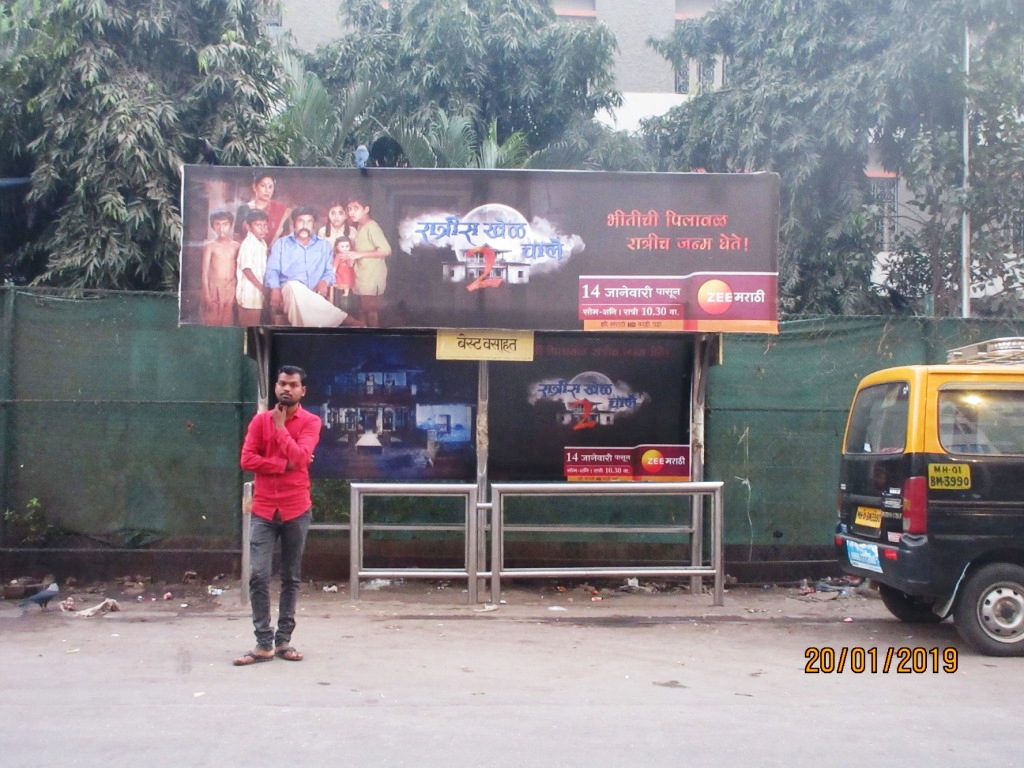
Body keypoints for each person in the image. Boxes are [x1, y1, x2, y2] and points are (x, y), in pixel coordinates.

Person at [235, 365, 320, 666]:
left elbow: (299, 458)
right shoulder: (259, 422)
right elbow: (246, 459)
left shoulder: (311, 422)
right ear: (275, 387)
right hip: (263, 508)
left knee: (291, 576)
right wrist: (280, 465)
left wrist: (282, 429)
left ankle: (284, 640)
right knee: (258, 575)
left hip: (296, 507)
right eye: (282, 383)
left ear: (302, 390)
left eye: (293, 385)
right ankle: (263, 642)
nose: (287, 389)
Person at [265, 207, 364, 327]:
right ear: (294, 224)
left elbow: (329, 271)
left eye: (309, 222)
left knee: (305, 301)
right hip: (288, 293)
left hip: (316, 293)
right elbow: (272, 270)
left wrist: (324, 281)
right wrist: (275, 289)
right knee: (294, 285)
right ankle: (343, 318)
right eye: (301, 221)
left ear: (314, 225)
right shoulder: (281, 244)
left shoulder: (324, 245)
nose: (304, 225)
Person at [347, 195, 392, 327]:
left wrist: (358, 254)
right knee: (362, 311)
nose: (352, 212)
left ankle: (374, 340)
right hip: (362, 277)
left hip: (372, 278)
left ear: (366, 209)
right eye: (349, 209)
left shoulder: (372, 227)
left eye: (356, 208)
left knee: (371, 312)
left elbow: (386, 250)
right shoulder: (360, 227)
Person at [201, 209, 240, 326]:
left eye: (225, 225)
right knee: (211, 320)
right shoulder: (210, 246)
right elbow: (204, 272)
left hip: (230, 288)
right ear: (213, 227)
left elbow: (239, 270)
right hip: (214, 289)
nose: (221, 228)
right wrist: (206, 295)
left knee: (227, 322)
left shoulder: (236, 246)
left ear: (231, 225)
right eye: (217, 225)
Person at [234, 172, 291, 246]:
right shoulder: (244, 209)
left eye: (270, 187)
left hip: (273, 254)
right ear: (254, 187)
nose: (267, 190)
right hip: (249, 253)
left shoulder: (282, 211)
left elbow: (285, 237)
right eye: (263, 186)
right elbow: (237, 237)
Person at [235, 209, 270, 326]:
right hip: (249, 294)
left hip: (257, 293)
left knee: (255, 327)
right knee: (249, 328)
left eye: (265, 225)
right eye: (258, 225)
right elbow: (246, 269)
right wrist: (261, 288)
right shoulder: (248, 244)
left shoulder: (262, 243)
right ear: (249, 227)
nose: (263, 229)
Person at [331, 235, 356, 311]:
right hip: (341, 275)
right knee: (342, 287)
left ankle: (347, 295)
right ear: (337, 247)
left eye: (347, 246)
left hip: (349, 274)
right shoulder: (338, 256)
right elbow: (335, 265)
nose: (345, 248)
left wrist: (350, 258)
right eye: (342, 246)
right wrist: (333, 272)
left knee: (348, 285)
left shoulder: (351, 255)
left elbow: (351, 264)